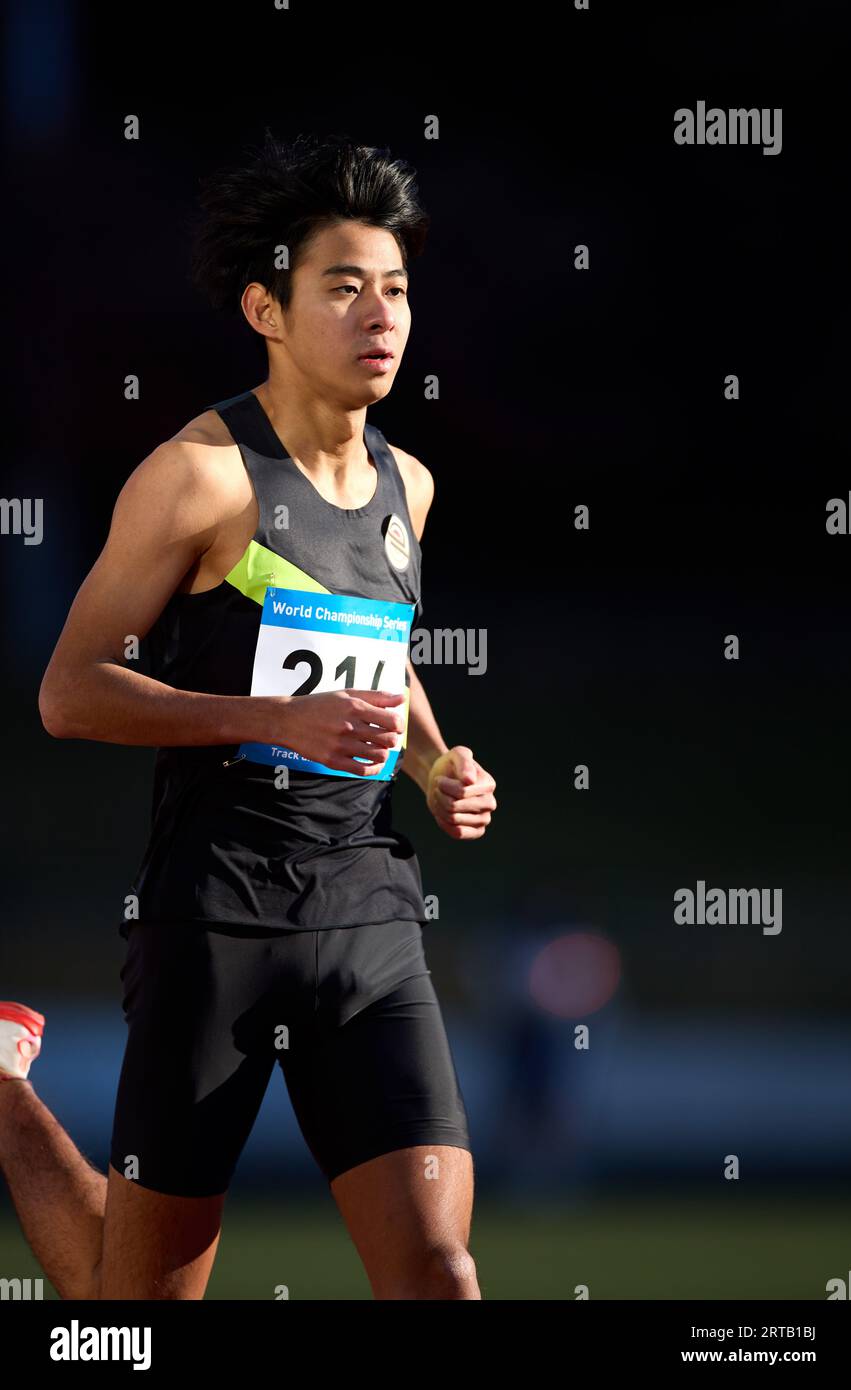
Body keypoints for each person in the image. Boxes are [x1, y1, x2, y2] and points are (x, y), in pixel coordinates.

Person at [0, 131, 497, 1300]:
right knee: (137, 1314)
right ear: (265, 310)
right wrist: (266, 718)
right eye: (342, 289)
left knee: (440, 1273)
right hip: (215, 922)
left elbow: (384, 655)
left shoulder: (406, 483)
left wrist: (434, 766)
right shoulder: (198, 476)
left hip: (369, 910)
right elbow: (68, 692)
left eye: (396, 291)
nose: (381, 317)